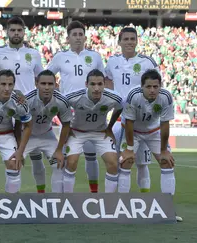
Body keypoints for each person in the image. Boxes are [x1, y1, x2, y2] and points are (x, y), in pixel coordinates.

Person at [0, 16, 45, 193]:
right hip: (2, 109)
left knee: (34, 155)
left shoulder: (34, 54)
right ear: (7, 32)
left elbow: (41, 78)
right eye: (13, 30)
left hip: (27, 107)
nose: (16, 33)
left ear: (24, 32)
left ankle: (39, 192)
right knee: (7, 155)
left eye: (19, 30)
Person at [46, 20, 106, 193]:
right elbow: (47, 78)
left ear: (85, 37)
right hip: (68, 113)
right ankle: (61, 196)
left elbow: (103, 81)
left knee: (90, 154)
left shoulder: (95, 57)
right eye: (74, 35)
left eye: (81, 34)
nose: (78, 38)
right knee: (63, 155)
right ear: (68, 38)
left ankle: (94, 193)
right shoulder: (60, 57)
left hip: (90, 111)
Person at [118, 69, 182, 221]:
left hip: (154, 131)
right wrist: (130, 149)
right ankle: (120, 209)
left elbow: (165, 124)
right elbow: (129, 123)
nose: (152, 90)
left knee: (167, 162)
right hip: (133, 130)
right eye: (148, 87)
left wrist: (164, 150)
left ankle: (168, 210)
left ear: (160, 86)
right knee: (126, 162)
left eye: (155, 86)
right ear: (142, 87)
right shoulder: (133, 96)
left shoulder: (166, 97)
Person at [105, 27, 159, 194]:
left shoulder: (147, 62)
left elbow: (156, 87)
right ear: (119, 41)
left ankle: (144, 200)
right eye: (126, 39)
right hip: (119, 120)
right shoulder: (112, 62)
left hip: (142, 121)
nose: (129, 42)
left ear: (136, 41)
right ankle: (122, 204)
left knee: (142, 164)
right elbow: (107, 83)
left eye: (132, 39)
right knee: (122, 162)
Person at [64, 69, 123, 193]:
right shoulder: (74, 96)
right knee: (71, 162)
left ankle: (109, 200)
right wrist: (67, 127)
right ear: (86, 84)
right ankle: (67, 199)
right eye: (92, 84)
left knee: (113, 163)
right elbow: (60, 105)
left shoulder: (114, 98)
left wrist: (110, 126)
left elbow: (119, 108)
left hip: (101, 132)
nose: (96, 88)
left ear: (104, 84)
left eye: (100, 84)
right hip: (77, 132)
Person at [24, 70, 72, 192]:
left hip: (47, 134)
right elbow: (17, 124)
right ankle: (37, 194)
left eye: (50, 84)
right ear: (36, 84)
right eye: (43, 83)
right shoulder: (27, 100)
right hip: (28, 136)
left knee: (58, 164)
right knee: (14, 164)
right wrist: (19, 148)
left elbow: (66, 125)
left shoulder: (62, 100)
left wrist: (60, 150)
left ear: (56, 85)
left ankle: (57, 201)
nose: (46, 87)